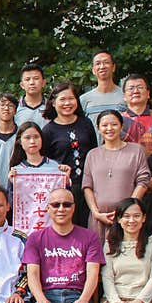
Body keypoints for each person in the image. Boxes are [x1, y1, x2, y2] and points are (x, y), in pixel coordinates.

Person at [82, 110, 150, 242]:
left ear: (121, 126)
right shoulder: (92, 154)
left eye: (114, 124)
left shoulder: (136, 151)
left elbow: (143, 181)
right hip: (99, 219)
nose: (109, 128)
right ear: (98, 129)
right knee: (99, 259)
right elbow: (87, 186)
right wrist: (96, 213)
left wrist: (127, 210)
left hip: (128, 220)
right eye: (104, 125)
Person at [42, 82, 98, 227]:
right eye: (62, 99)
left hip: (89, 186)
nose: (67, 103)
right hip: (63, 188)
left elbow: (94, 152)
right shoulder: (48, 130)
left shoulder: (86, 123)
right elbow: (45, 161)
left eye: (71, 99)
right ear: (53, 103)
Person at [79, 50, 125, 131]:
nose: (102, 66)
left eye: (106, 62)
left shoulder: (125, 96)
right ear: (93, 70)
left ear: (113, 67)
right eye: (98, 64)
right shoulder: (84, 99)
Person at [15, 63, 48, 128]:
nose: (32, 82)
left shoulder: (52, 106)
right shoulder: (15, 108)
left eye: (36, 78)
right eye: (27, 79)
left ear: (43, 83)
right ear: (22, 85)